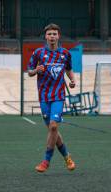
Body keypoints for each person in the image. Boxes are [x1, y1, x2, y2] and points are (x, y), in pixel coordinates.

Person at [28, 23, 76, 172]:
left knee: (54, 126)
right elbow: (29, 71)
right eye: (49, 34)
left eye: (54, 34)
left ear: (58, 36)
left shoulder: (65, 54)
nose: (52, 36)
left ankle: (45, 161)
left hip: (58, 96)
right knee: (52, 130)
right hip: (43, 97)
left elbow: (68, 69)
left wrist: (72, 80)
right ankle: (67, 157)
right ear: (45, 36)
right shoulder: (38, 53)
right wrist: (36, 70)